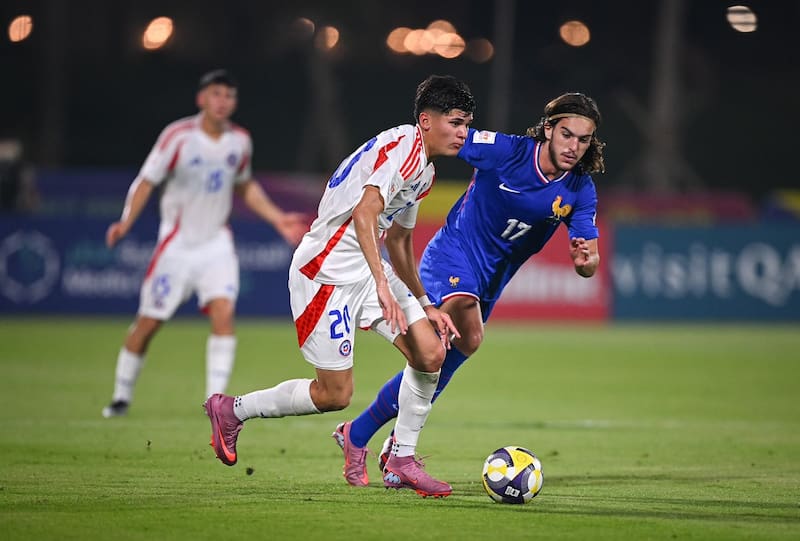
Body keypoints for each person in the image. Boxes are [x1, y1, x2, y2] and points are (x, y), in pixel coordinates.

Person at [204, 75, 476, 498]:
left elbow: (400, 241)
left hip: (367, 270)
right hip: (324, 275)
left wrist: (424, 301)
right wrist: (385, 289)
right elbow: (366, 215)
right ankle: (232, 410)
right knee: (334, 394)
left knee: (430, 351)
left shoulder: (424, 170)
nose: (463, 132)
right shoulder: (404, 149)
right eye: (456, 122)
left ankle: (402, 459)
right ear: (426, 120)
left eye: (466, 124)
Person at [333, 92, 606, 484]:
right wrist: (402, 161)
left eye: (583, 140)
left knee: (451, 351)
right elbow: (451, 139)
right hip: (453, 255)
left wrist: (586, 262)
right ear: (548, 129)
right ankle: (398, 448)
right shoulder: (508, 151)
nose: (573, 147)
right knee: (462, 326)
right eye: (566, 134)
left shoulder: (580, 189)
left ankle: (359, 434)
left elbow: (587, 260)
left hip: (493, 278)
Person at [101, 69, 307, 418]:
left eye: (229, 96)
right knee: (149, 323)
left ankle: (216, 401)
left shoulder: (240, 140)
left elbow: (244, 185)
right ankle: (121, 396)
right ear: (202, 99)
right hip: (177, 246)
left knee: (224, 313)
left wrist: (277, 218)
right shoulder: (178, 137)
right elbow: (146, 181)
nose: (222, 102)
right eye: (216, 94)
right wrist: (126, 221)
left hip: (216, 244)